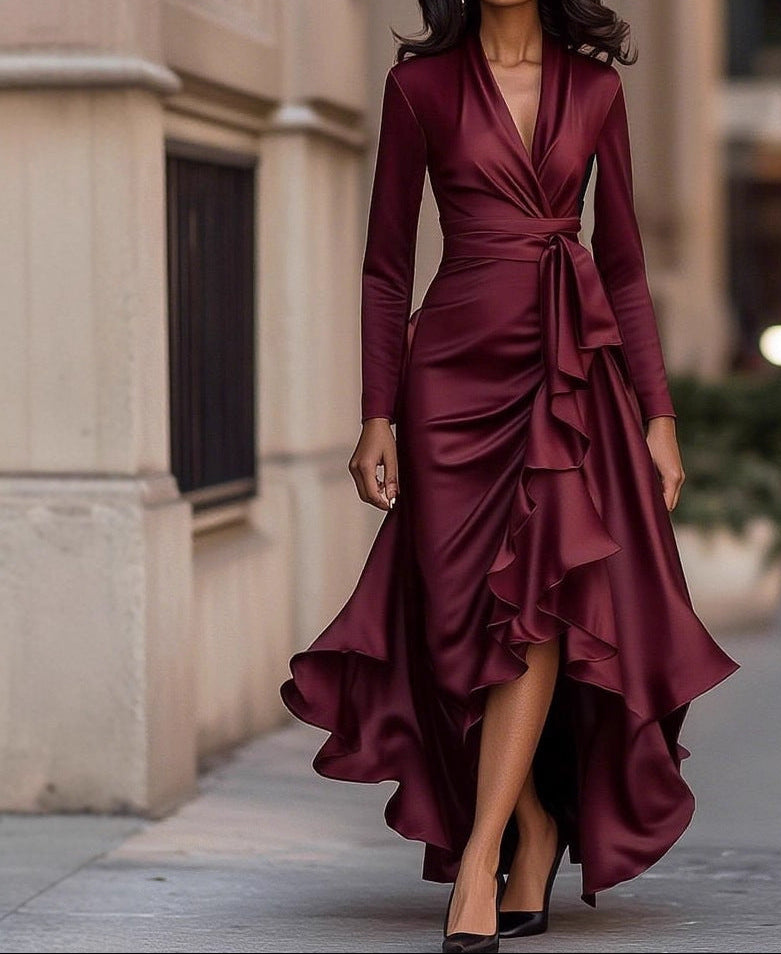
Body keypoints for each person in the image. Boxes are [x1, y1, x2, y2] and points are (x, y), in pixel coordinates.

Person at [280, 2, 739, 951]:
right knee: (456, 621)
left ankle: (482, 864)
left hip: (568, 383)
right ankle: (533, 821)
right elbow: (384, 267)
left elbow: (623, 262)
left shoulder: (598, 87)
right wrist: (377, 412)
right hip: (450, 379)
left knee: (536, 604)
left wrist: (659, 416)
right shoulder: (419, 87)